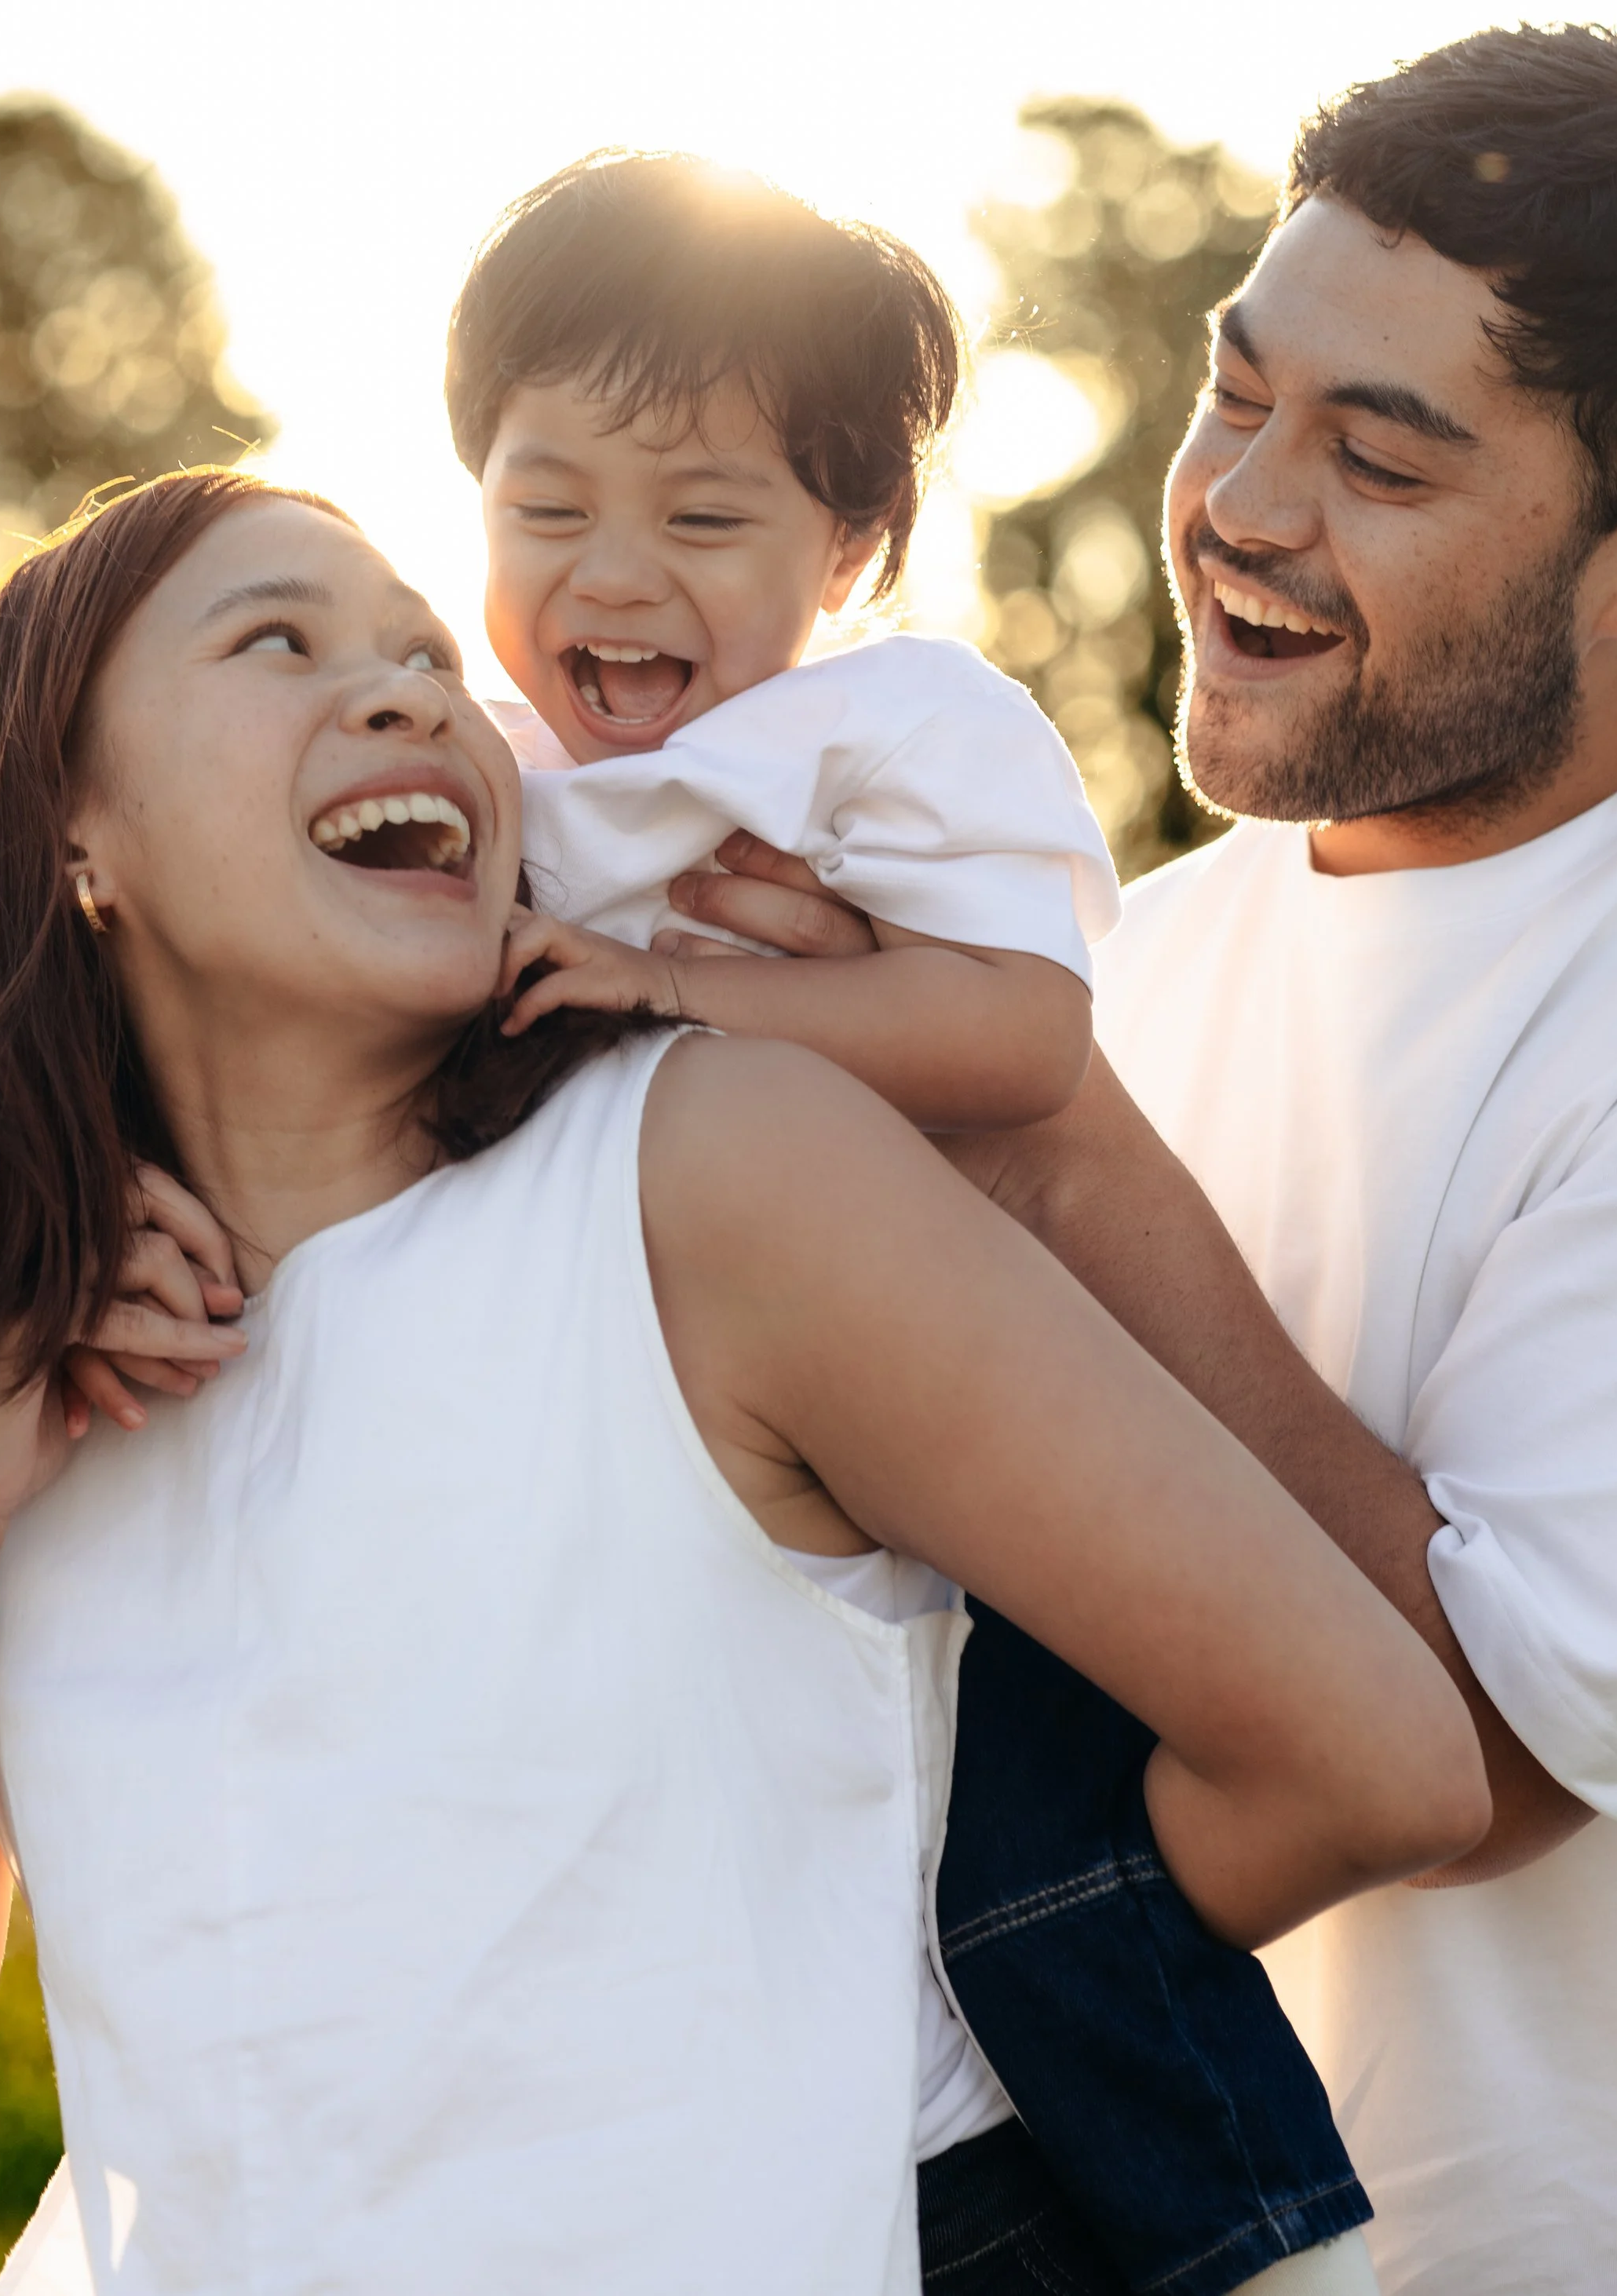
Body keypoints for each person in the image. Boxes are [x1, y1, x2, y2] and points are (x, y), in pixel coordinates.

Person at [0, 471, 1487, 2296]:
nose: (412, 692)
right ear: (69, 830)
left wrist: (954, 2019)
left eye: (424, 653)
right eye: (277, 642)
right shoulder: (1, 1405)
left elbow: (1370, 1753)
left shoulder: (707, 1174)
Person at [683, 24, 1617, 2295]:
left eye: (1379, 456)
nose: (1237, 500)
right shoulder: (1149, 952)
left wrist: (1049, 1153)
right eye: (1239, 391)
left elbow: (1488, 1749)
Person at [443, 149, 1381, 2294]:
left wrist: (686, 983)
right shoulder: (475, 754)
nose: (613, 572)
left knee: (1032, 1887)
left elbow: (1015, 1032)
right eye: (546, 500)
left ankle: (1233, 2228)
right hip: (685, 1468)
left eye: (702, 515)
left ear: (850, 542)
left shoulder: (890, 730)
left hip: (970, 1427)